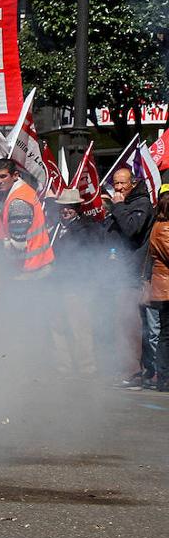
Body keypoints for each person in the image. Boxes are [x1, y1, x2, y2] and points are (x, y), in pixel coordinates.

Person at [103, 165, 157, 388]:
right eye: (115, 183)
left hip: (132, 273)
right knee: (121, 322)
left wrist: (117, 207)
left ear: (132, 183)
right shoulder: (125, 205)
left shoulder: (141, 204)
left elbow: (132, 229)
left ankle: (133, 372)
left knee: (129, 324)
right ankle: (130, 369)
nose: (118, 187)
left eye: (123, 183)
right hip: (118, 271)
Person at [49, 188, 102, 377]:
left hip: (77, 284)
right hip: (56, 284)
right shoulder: (54, 228)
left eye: (70, 207)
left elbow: (91, 256)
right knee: (57, 326)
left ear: (77, 208)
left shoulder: (88, 228)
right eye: (63, 207)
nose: (66, 211)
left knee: (80, 327)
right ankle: (64, 367)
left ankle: (86, 368)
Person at [0, 158, 54, 277]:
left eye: (3, 176)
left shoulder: (18, 201)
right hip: (39, 262)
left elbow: (18, 244)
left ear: (15, 175)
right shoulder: (25, 192)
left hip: (30, 268)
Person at [147, 188, 169, 392]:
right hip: (166, 288)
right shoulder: (164, 229)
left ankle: (164, 377)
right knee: (165, 335)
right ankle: (164, 378)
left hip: (164, 287)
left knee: (165, 334)